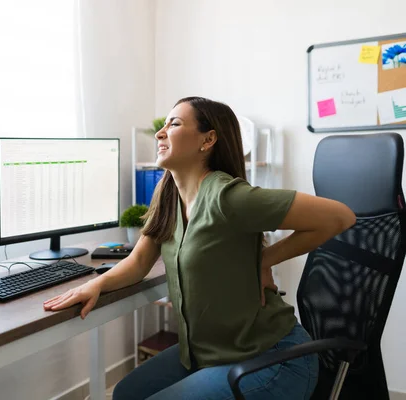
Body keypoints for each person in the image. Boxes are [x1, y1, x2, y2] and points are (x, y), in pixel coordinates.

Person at [43, 96, 356, 399]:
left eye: (174, 124)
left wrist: (262, 259)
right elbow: (139, 262)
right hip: (212, 354)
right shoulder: (167, 196)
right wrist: (95, 284)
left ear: (207, 140)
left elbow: (339, 217)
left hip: (275, 359)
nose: (160, 132)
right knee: (126, 393)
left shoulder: (229, 197)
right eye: (163, 125)